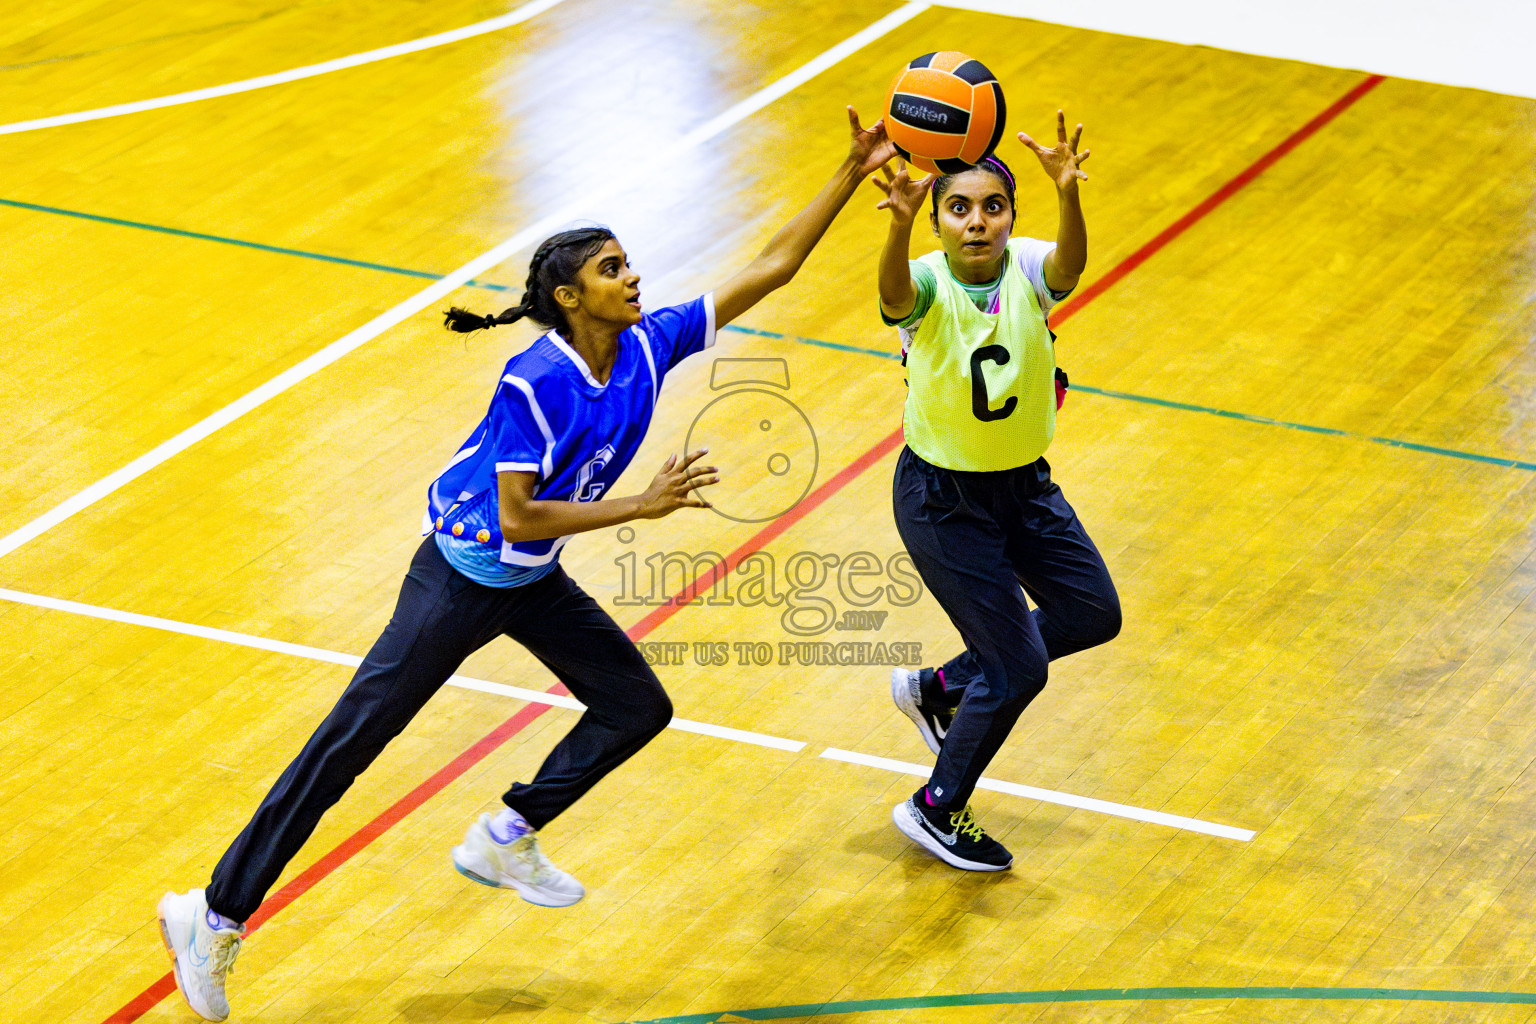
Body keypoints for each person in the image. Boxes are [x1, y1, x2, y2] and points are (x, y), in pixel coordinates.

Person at [156, 107, 898, 1022]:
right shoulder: (535, 382)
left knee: (636, 706)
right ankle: (214, 916)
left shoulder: (646, 347)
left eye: (628, 263)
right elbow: (519, 512)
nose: (634, 278)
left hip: (530, 576)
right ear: (570, 299)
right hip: (463, 575)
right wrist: (643, 504)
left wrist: (849, 171)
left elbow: (769, 268)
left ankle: (507, 833)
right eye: (611, 269)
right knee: (348, 745)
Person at [871, 112, 1122, 872]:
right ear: (939, 222)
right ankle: (935, 808)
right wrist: (897, 229)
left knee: (1091, 613)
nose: (977, 221)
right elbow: (889, 295)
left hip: (1024, 489)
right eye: (959, 208)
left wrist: (1069, 194)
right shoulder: (922, 280)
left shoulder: (1030, 269)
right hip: (943, 501)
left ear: (1012, 216)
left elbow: (1071, 268)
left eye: (993, 207)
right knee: (1016, 668)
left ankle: (940, 687)